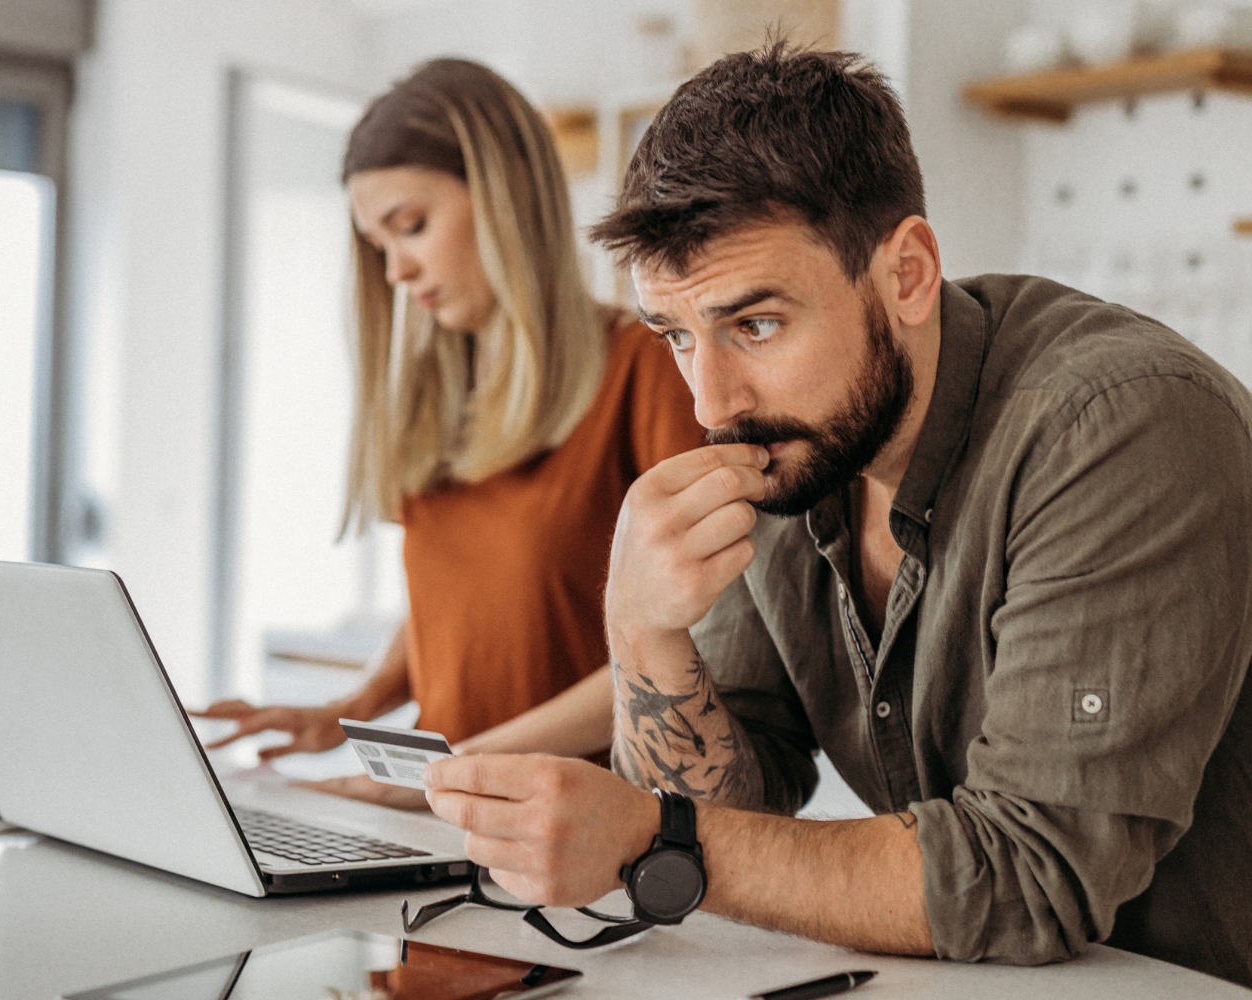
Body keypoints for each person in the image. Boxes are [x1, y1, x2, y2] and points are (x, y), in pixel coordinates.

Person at [422, 43, 1252, 986]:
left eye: (757, 324)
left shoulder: (1121, 426)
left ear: (906, 274)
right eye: (679, 336)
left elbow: (1028, 878)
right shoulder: (797, 448)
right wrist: (640, 629)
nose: (712, 404)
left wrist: (651, 841)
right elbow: (741, 796)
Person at [194, 59, 702, 807]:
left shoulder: (644, 371)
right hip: (436, 811)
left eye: (412, 226)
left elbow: (696, 650)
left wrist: (462, 765)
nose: (396, 268)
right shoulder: (439, 395)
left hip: (574, 825)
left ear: (507, 196)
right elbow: (453, 603)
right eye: (379, 245)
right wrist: (353, 708)